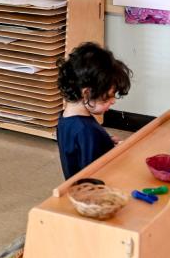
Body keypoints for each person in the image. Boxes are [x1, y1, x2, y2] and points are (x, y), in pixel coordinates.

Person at [56, 43, 133, 179]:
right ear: (86, 93)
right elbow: (93, 175)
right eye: (108, 97)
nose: (113, 101)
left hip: (75, 188)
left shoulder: (65, 119)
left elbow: (78, 152)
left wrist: (104, 142)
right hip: (94, 194)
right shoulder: (87, 131)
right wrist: (116, 153)